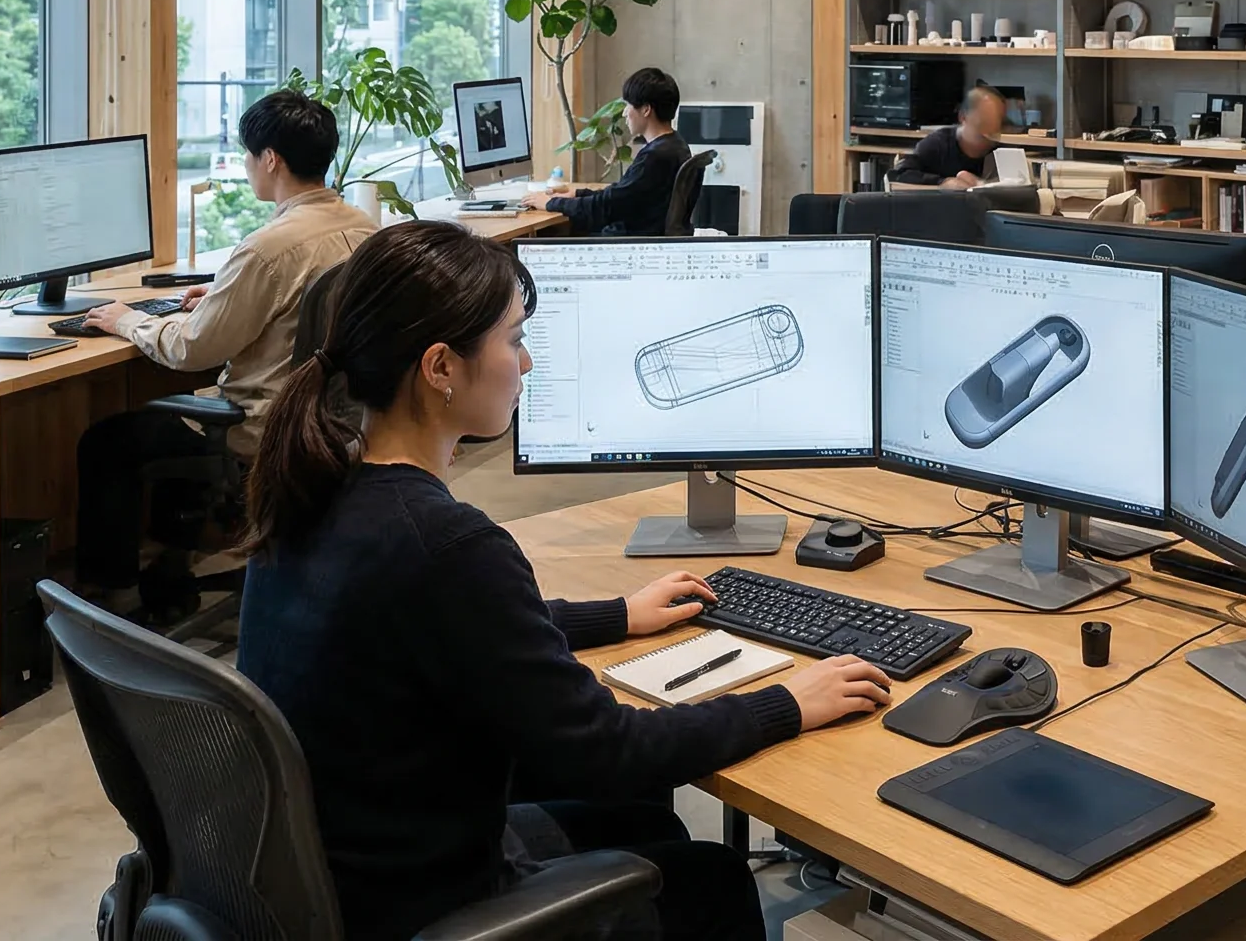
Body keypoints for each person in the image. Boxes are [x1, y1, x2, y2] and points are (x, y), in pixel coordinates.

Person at [235, 222, 891, 941]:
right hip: (425, 905)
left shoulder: (317, 490)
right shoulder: (449, 544)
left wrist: (615, 615)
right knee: (712, 879)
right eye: (513, 339)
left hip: (344, 872)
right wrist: (786, 703)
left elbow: (447, 626)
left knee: (640, 823)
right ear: (440, 368)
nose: (529, 363)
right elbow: (609, 750)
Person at [74, 90, 376, 620]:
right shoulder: (362, 229)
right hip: (337, 419)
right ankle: (171, 568)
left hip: (265, 424)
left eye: (247, 154)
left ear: (270, 160)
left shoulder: (268, 247)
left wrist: (128, 320)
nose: (247, 165)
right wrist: (219, 295)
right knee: (174, 418)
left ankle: (116, 601)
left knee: (108, 442)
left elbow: (193, 348)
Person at [522, 66, 693, 234]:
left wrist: (550, 203)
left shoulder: (655, 157)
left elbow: (606, 207)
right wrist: (577, 193)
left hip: (627, 243)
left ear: (646, 110)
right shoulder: (676, 145)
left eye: (629, 105)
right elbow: (623, 195)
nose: (625, 113)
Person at [888, 84, 1009, 187]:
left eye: (995, 127)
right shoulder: (937, 145)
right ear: (963, 117)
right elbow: (898, 174)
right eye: (982, 124)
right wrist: (943, 182)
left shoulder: (1001, 150)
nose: (988, 134)